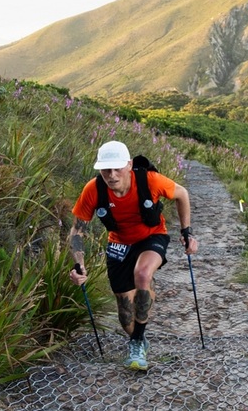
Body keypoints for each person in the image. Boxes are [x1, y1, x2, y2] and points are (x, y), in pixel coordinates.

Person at [69, 140, 198, 370]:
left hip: (152, 236)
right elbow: (77, 231)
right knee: (125, 317)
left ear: (129, 165)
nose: (112, 174)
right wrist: (79, 266)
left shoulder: (150, 181)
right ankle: (137, 334)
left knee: (142, 273)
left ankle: (137, 343)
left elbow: (182, 194)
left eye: (117, 168)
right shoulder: (93, 190)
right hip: (119, 244)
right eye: (106, 169)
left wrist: (186, 232)